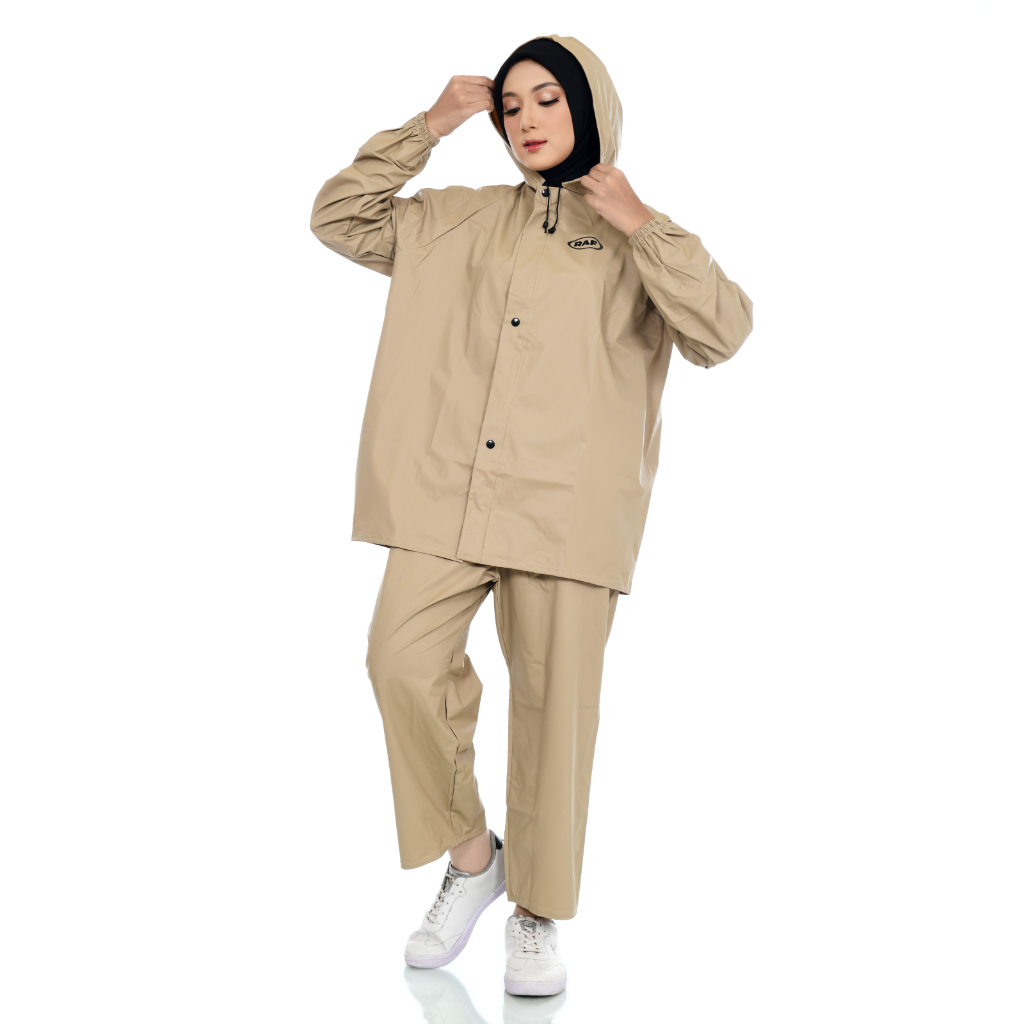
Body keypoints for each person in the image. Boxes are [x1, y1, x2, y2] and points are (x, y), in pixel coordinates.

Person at [309, 33, 753, 998]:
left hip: (568, 510)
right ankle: (474, 858)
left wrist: (643, 224)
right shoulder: (453, 218)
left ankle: (538, 915)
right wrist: (430, 126)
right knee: (398, 661)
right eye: (511, 105)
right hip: (442, 495)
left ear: (588, 106)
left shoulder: (638, 235)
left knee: (556, 715)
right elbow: (339, 217)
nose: (526, 120)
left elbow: (722, 332)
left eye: (548, 98)